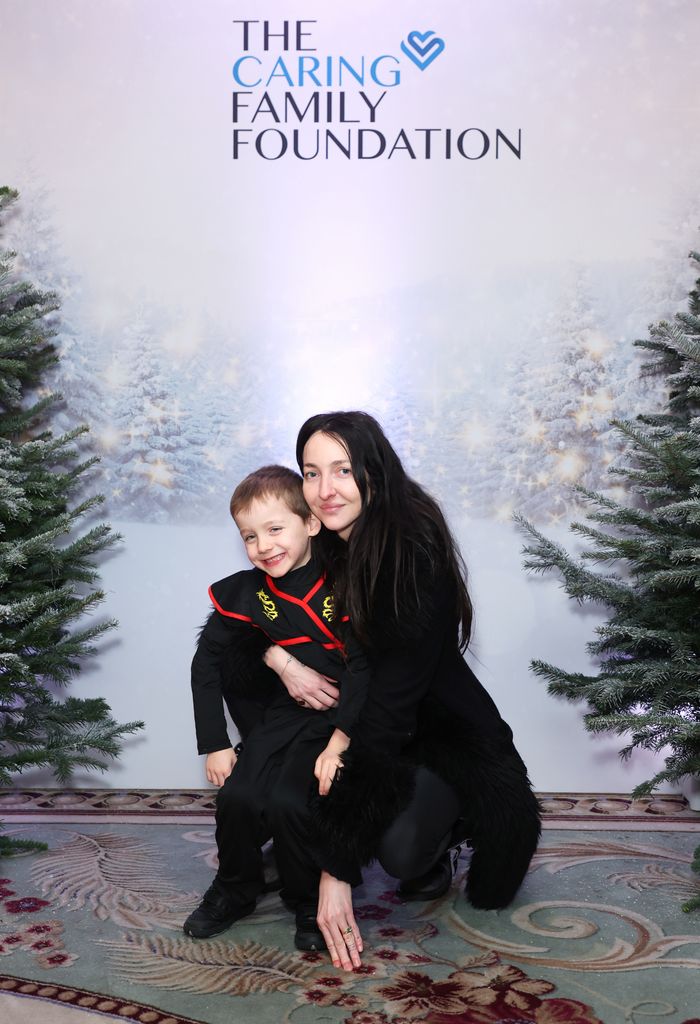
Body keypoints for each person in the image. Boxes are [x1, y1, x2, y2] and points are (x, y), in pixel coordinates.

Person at [263, 411, 541, 971]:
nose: (324, 490)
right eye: (311, 473)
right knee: (286, 802)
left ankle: (452, 827)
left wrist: (336, 870)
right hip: (363, 717)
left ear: (373, 469)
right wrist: (278, 659)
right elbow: (249, 612)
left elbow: (391, 705)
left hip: (436, 730)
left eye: (342, 470)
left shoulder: (410, 547)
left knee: (402, 854)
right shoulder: (319, 538)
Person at [184, 465, 369, 944]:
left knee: (293, 801)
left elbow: (368, 668)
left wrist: (344, 738)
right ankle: (234, 888)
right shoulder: (246, 593)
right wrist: (216, 743)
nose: (263, 546)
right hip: (288, 713)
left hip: (346, 716)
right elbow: (207, 664)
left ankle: (307, 901)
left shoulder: (346, 579)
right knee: (238, 796)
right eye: (249, 536)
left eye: (274, 529)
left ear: (310, 523)